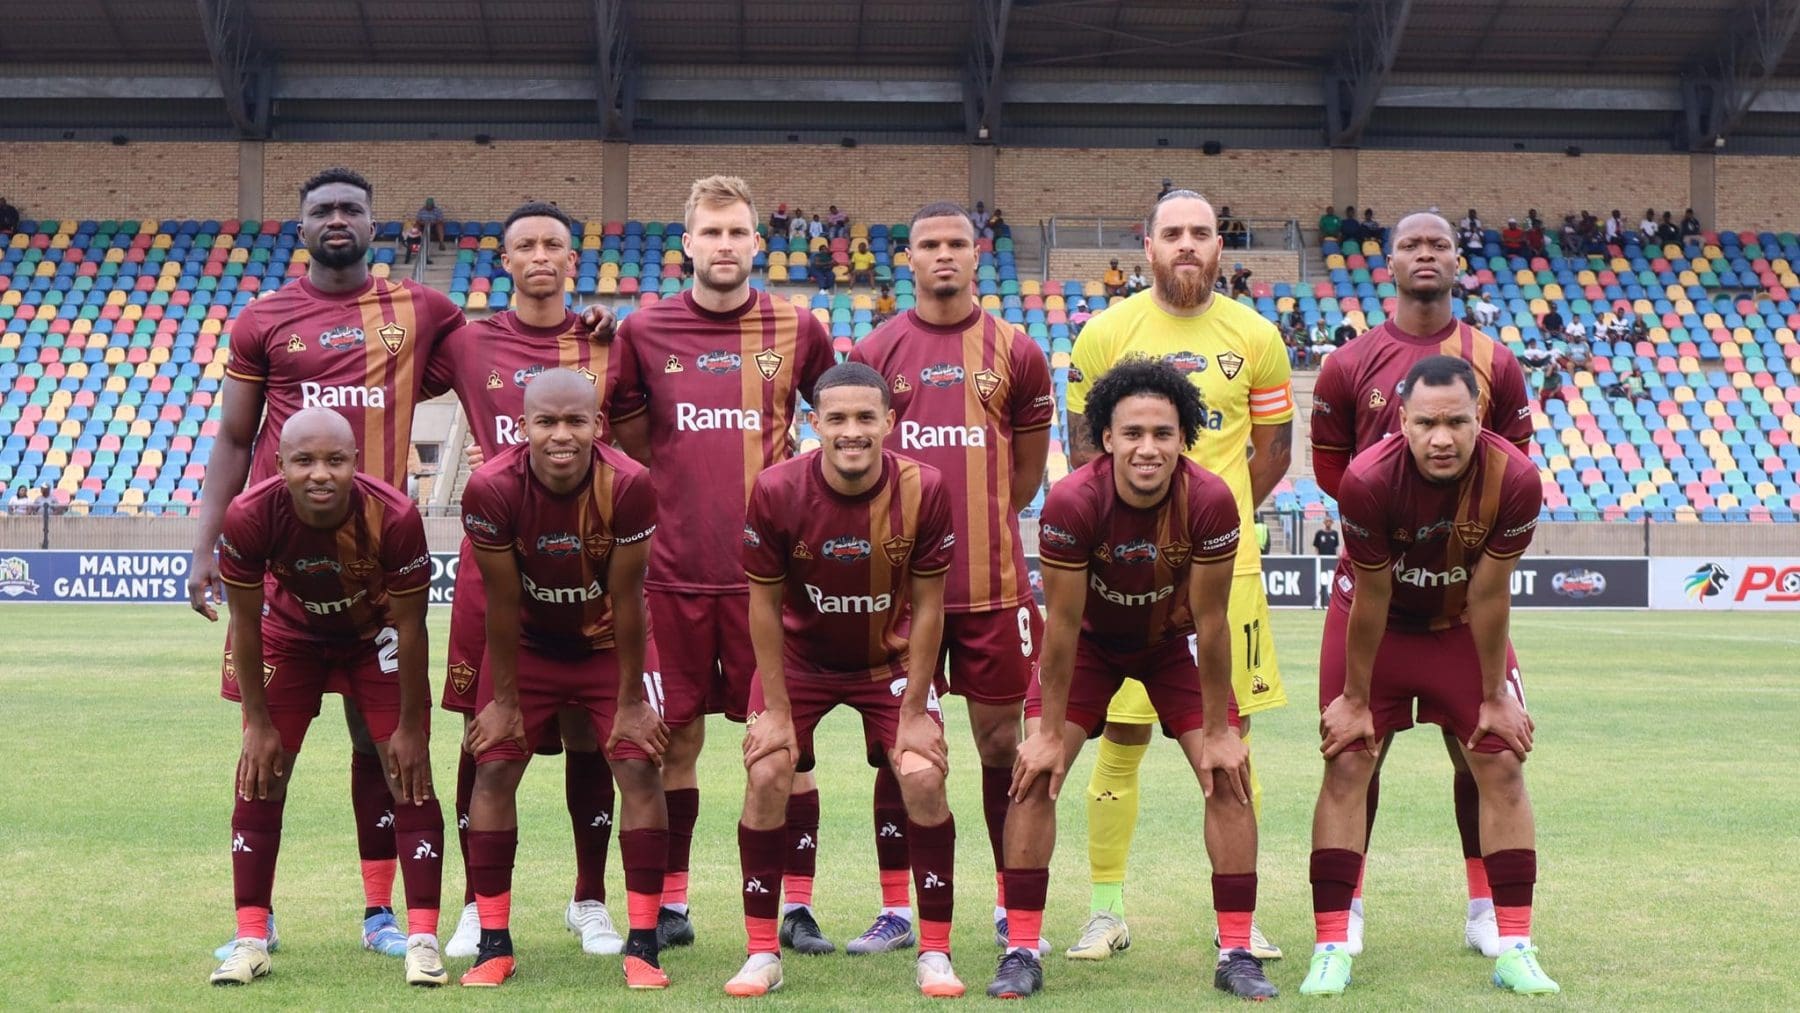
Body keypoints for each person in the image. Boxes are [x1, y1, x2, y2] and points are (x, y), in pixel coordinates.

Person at [188, 167, 468, 963]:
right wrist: (206, 545)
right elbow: (236, 441)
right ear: (301, 226)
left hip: (381, 571)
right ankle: (256, 920)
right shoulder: (263, 320)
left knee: (379, 742)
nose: (337, 218)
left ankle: (381, 911)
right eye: (322, 210)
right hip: (285, 570)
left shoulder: (419, 308)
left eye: (351, 208)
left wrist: (580, 328)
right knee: (266, 745)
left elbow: (496, 348)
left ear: (377, 226)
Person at [995, 358, 1274, 1001]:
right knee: (1035, 772)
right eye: (1133, 434)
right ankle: (1021, 948)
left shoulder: (1208, 498)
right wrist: (1044, 737)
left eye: (1163, 434)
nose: (1148, 448)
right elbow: (1061, 629)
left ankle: (1235, 949)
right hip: (1089, 646)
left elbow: (1210, 623)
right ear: (1107, 439)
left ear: (1183, 438)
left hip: (1169, 646)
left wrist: (1217, 732)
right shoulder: (1072, 500)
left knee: (1229, 774)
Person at [608, 175, 837, 954]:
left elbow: (841, 422)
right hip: (669, 576)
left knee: (786, 746)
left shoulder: (797, 327)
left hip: (767, 583)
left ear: (757, 244)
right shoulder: (642, 332)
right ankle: (671, 903)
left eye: (738, 232)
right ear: (687, 244)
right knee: (674, 742)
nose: (726, 245)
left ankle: (795, 906)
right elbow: (631, 449)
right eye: (712, 232)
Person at [1064, 188, 1293, 962]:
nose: (1188, 244)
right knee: (1120, 736)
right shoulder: (1106, 331)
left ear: (1220, 245)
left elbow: (1275, 451)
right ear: (1149, 243)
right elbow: (1081, 448)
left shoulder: (1257, 335)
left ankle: (1240, 916)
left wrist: (1210, 533)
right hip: (1126, 575)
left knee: (1231, 743)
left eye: (1202, 232)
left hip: (1229, 579)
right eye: (1174, 233)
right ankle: (1104, 908)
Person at [422, 201, 646, 959]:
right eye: (527, 245)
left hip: (588, 570)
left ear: (573, 261)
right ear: (506, 260)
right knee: (483, 736)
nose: (542, 255)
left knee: (593, 732)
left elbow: (647, 437)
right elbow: (383, 382)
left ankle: (589, 899)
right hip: (498, 565)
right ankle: (474, 905)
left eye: (555, 243)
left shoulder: (610, 343)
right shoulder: (466, 341)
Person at [1308, 212, 1535, 958]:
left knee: (1484, 749)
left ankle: (1487, 910)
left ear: (1459, 258)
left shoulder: (1497, 362)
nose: (1426, 254)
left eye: (1439, 243)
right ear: (1391, 259)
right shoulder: (1348, 364)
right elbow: (1336, 476)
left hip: (1462, 603)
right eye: (1413, 244)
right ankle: (1347, 918)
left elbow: (1502, 469)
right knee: (1353, 752)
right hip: (1376, 583)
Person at [1299, 354, 1559, 998]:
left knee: (1500, 761)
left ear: (1480, 419)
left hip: (1458, 626)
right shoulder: (1366, 479)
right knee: (1349, 760)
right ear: (1401, 422)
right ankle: (1332, 943)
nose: (1442, 438)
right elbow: (1373, 597)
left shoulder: (1518, 478)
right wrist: (1356, 700)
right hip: (1375, 624)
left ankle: (1514, 944)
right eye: (1426, 423)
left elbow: (1492, 594)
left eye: (1457, 422)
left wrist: (1496, 696)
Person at [848, 201, 1053, 957]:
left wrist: (988, 512)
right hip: (903, 599)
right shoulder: (876, 349)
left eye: (956, 244)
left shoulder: (1017, 349)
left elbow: (1026, 472)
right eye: (928, 245)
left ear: (977, 254)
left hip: (995, 591)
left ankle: (1009, 903)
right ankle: (896, 908)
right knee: (899, 752)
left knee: (1004, 746)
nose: (943, 255)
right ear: (908, 259)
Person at [728, 362, 964, 998]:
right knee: (769, 771)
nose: (851, 431)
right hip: (801, 664)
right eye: (837, 419)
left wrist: (915, 710)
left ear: (890, 422)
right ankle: (760, 953)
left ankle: (935, 952)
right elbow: (763, 607)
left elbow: (930, 607)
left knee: (921, 775)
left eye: (866, 418)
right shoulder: (776, 489)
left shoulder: (926, 487)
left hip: (886, 665)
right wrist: (776, 710)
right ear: (815, 424)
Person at [208, 409, 445, 988]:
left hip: (373, 636)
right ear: (279, 465)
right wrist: (255, 723)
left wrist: (413, 725)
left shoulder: (394, 516)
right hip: (290, 637)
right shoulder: (249, 513)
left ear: (354, 465)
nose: (320, 474)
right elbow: (243, 622)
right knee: (262, 771)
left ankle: (420, 938)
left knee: (406, 771)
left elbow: (413, 628)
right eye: (304, 461)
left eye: (335, 461)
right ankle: (251, 935)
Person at [457, 370, 670, 990]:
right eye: (545, 422)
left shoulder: (629, 485)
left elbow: (629, 599)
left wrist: (632, 701)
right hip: (528, 644)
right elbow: (501, 602)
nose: (560, 435)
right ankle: (493, 943)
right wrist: (503, 700)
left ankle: (644, 945)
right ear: (522, 428)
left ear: (597, 426)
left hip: (609, 643)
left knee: (637, 762)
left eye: (575, 422)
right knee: (494, 762)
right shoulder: (491, 487)